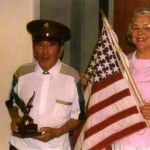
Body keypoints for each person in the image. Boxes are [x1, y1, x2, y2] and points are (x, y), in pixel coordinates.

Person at [5, 19, 86, 150]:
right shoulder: (21, 73)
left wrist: (56, 132)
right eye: (40, 45)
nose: (45, 52)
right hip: (20, 146)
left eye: (51, 45)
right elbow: (11, 102)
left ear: (60, 50)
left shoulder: (72, 78)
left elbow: (79, 116)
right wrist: (15, 118)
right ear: (33, 49)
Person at [80, 7, 150, 150]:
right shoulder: (122, 64)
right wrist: (88, 85)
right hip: (122, 140)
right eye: (136, 28)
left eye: (147, 27)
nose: (140, 32)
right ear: (131, 33)